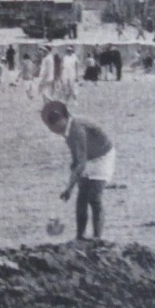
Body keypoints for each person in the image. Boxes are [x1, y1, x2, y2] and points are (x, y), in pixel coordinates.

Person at [40, 99, 115, 241]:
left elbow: (81, 163)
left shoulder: (76, 129)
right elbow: (77, 160)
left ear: (62, 119)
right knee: (81, 198)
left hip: (103, 156)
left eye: (53, 126)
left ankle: (97, 237)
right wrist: (72, 179)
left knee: (94, 197)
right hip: (87, 157)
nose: (53, 131)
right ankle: (80, 237)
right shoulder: (66, 131)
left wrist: (69, 188)